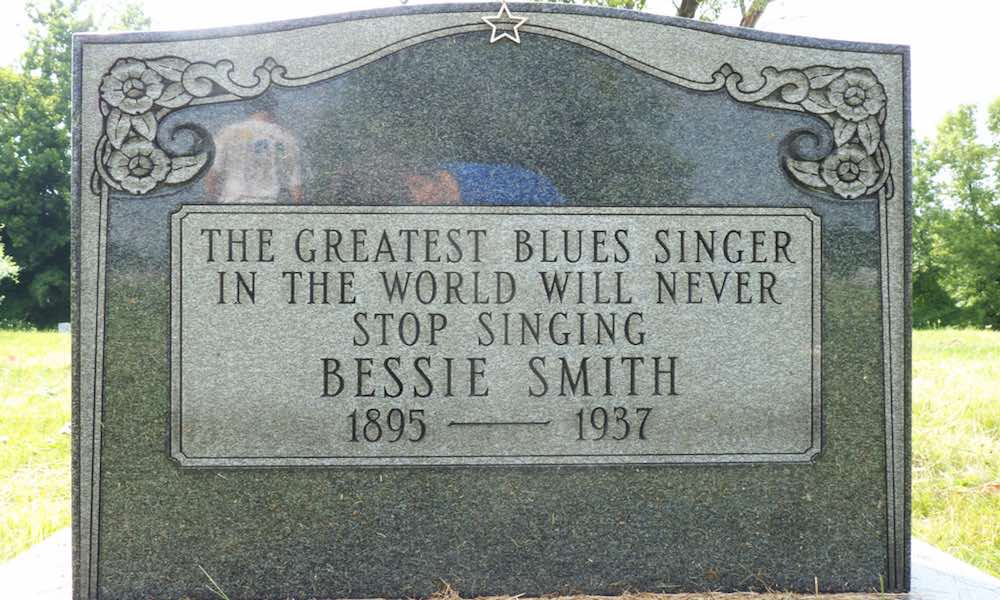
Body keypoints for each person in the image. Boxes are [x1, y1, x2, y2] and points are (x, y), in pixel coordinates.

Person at [206, 94, 304, 204]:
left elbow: (212, 173)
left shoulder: (229, 132)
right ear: (272, 109)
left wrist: (212, 200)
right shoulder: (284, 137)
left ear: (248, 109)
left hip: (233, 203)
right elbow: (296, 186)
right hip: (269, 204)